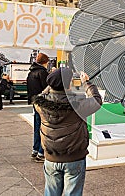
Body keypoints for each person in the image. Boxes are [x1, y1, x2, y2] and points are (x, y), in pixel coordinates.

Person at [33, 67, 102, 196]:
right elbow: (97, 100)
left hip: (50, 157)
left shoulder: (40, 104)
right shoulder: (78, 105)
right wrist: (87, 83)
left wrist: (52, 83)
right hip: (74, 157)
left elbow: (41, 95)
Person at [27, 52, 49, 162]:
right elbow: (47, 88)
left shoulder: (31, 72)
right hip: (42, 103)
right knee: (43, 127)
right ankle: (41, 153)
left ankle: (35, 150)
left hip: (34, 102)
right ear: (45, 62)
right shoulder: (43, 72)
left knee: (37, 126)